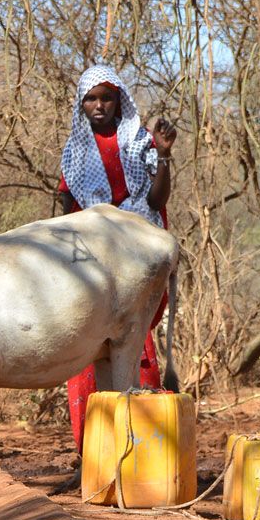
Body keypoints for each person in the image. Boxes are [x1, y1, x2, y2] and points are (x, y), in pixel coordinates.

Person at [58, 64, 178, 449]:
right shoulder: (74, 152)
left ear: (118, 101)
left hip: (136, 254)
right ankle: (91, 452)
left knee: (134, 339)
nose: (99, 106)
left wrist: (162, 154)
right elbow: (68, 212)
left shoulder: (139, 141)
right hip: (92, 261)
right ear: (82, 104)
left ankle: (143, 448)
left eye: (106, 98)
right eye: (91, 99)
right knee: (87, 345)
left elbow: (156, 201)